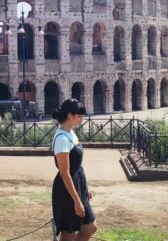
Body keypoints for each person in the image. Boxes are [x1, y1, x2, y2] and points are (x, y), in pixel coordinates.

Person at [51, 99, 97, 240]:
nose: (81, 119)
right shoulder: (61, 139)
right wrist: (77, 200)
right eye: (79, 116)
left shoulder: (70, 132)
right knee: (68, 233)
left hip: (78, 184)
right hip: (66, 190)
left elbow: (77, 166)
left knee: (90, 227)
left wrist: (84, 188)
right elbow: (65, 173)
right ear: (70, 116)